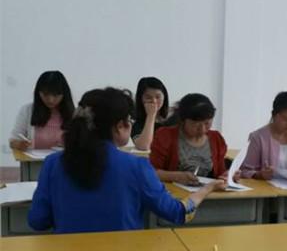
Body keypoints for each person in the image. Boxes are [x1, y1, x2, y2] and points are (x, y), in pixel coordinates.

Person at [28, 87, 225, 234]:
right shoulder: (136, 166)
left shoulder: (52, 163)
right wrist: (206, 189)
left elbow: (37, 221)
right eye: (130, 122)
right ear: (119, 126)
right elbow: (178, 213)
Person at [150, 93, 232, 185]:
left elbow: (220, 172)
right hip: (172, 191)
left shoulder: (216, 139)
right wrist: (176, 176)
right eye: (195, 124)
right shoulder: (165, 136)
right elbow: (151, 172)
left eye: (207, 123)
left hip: (207, 191)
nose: (202, 129)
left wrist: (228, 175)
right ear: (183, 120)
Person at [241, 91, 287, 179]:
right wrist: (259, 174)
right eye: (285, 119)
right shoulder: (258, 137)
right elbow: (245, 171)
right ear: (274, 114)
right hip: (267, 187)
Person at [9, 71, 75, 150]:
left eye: (55, 95)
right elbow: (13, 140)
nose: (50, 100)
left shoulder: (74, 115)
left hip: (63, 158)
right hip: (33, 158)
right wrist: (19, 144)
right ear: (38, 93)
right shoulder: (27, 111)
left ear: (64, 94)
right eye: (45, 94)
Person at [131, 77, 177, 150]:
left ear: (164, 96)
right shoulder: (137, 123)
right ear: (141, 99)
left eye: (158, 97)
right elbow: (144, 146)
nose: (154, 101)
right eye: (148, 98)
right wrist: (151, 116)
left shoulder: (175, 115)